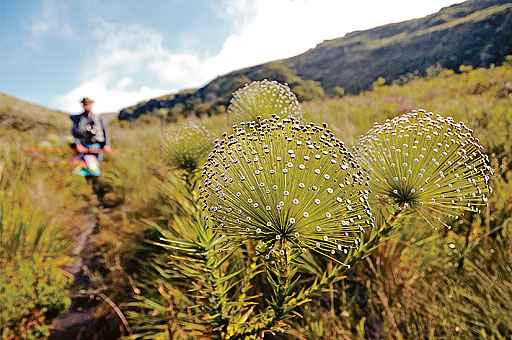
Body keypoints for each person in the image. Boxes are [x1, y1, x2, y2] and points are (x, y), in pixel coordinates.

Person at [70, 97, 111, 177]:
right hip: (83, 146)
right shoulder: (78, 119)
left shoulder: (98, 117)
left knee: (94, 170)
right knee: (75, 168)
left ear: (92, 104)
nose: (87, 105)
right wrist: (78, 144)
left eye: (89, 104)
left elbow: (105, 131)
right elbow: (75, 133)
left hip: (96, 146)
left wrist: (107, 144)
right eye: (85, 104)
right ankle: (85, 173)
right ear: (82, 105)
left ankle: (91, 174)